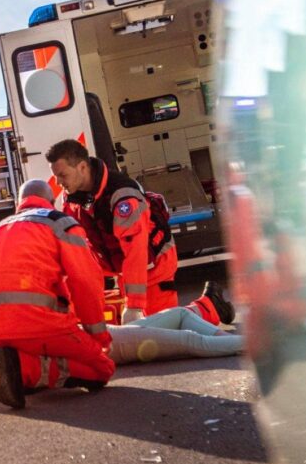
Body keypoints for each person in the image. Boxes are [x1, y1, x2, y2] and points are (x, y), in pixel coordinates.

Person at [46, 139, 234, 325]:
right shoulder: (73, 199)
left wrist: (134, 305)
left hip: (152, 266)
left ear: (82, 168)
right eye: (55, 176)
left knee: (164, 330)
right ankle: (209, 305)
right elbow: (74, 246)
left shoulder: (122, 196)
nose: (58, 182)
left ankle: (210, 305)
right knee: (142, 330)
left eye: (62, 175)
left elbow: (136, 250)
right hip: (124, 269)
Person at [0, 179, 116, 410]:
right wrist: (98, 338)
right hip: (37, 325)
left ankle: (17, 368)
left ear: (19, 203)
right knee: (102, 369)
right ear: (52, 202)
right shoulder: (61, 224)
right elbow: (85, 283)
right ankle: (26, 368)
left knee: (34, 349)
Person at [0, 306, 244, 390]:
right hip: (108, 342)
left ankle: (224, 339)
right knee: (190, 341)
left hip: (107, 336)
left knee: (182, 315)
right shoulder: (18, 309)